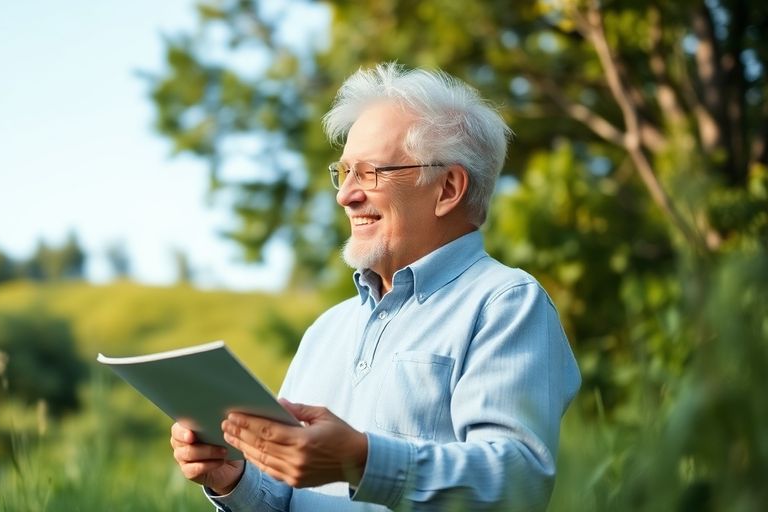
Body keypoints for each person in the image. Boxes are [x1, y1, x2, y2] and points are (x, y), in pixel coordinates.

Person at [170, 63, 581, 511]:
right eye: (343, 172)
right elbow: (289, 502)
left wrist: (362, 463)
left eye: (369, 174)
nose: (345, 195)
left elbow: (516, 482)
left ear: (447, 187)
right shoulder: (327, 329)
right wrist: (236, 481)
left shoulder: (505, 304)